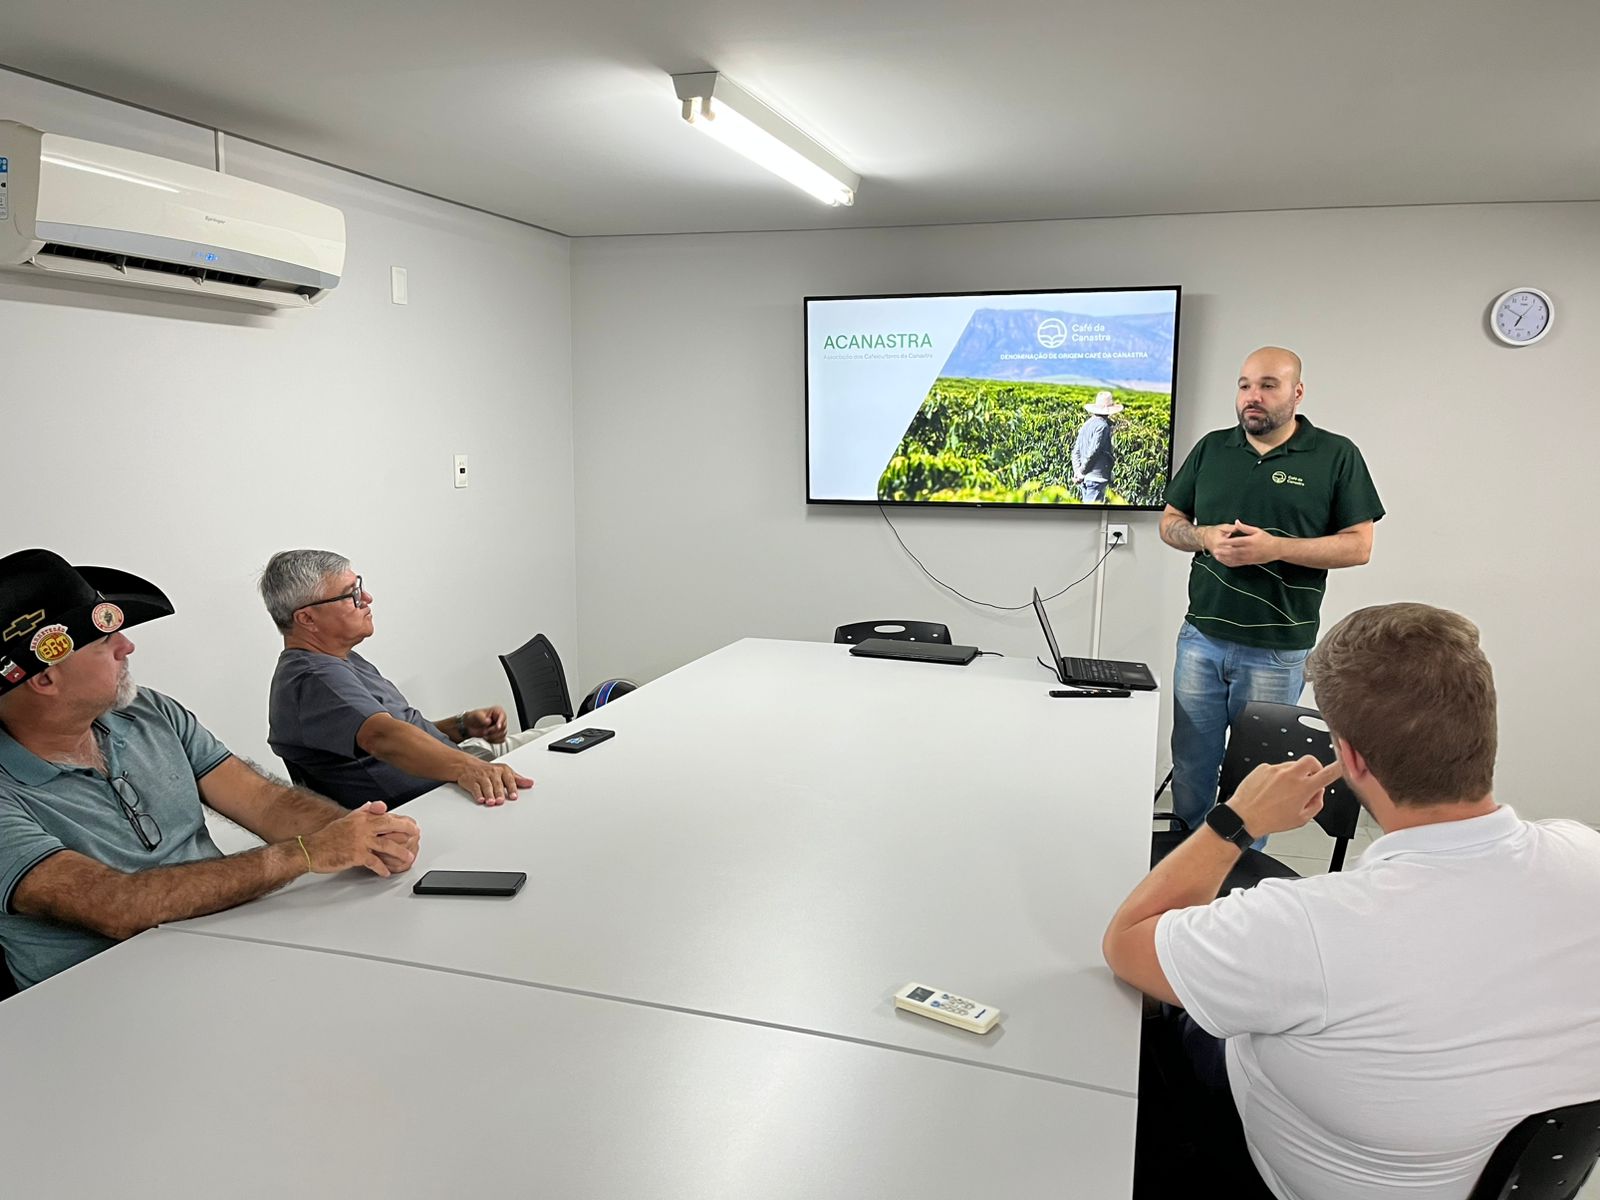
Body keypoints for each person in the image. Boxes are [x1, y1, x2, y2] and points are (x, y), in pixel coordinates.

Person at [1103, 603, 1600, 1200]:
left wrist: (1234, 820)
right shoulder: (1585, 853)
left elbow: (1126, 944)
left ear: (1353, 759)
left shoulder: (1308, 924)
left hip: (1269, 1164)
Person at [0, 549, 420, 990]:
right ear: (44, 679)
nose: (128, 646)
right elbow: (115, 904)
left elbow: (263, 801)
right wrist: (307, 853)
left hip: (226, 954)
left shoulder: (149, 712)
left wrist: (361, 835)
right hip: (101, 1003)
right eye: (107, 642)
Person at [1160, 347, 1382, 835]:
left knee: (1255, 778)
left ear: (1296, 393)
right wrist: (1203, 536)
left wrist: (1274, 548)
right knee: (1191, 764)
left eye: (1267, 385)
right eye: (1243, 386)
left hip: (1278, 649)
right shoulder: (1213, 449)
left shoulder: (1335, 455)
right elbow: (1171, 523)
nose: (1252, 397)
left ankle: (1237, 875)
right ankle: (1185, 860)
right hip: (1201, 638)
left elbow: (1358, 547)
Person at [261, 549, 540, 809]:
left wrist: (462, 726)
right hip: (437, 798)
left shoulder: (340, 659)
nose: (367, 598)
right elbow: (384, 738)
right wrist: (469, 767)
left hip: (457, 765)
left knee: (570, 739)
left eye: (360, 586)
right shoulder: (314, 679)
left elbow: (396, 730)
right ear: (307, 618)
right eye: (352, 594)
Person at [1071, 390, 1122, 503]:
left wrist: (1078, 472)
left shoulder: (1087, 424)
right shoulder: (1102, 426)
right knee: (1091, 516)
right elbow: (1093, 451)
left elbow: (1076, 451)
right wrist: (1082, 472)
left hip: (1086, 479)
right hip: (1096, 478)